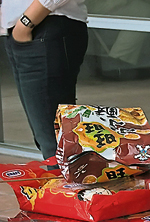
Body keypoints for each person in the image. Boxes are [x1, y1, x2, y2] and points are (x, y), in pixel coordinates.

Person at [2, 0, 88, 161]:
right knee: (47, 133)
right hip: (29, 29)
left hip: (45, 24)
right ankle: (63, 183)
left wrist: (25, 24)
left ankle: (66, 185)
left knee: (53, 137)